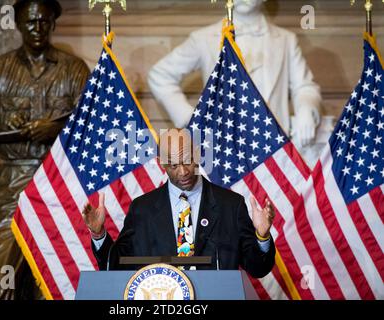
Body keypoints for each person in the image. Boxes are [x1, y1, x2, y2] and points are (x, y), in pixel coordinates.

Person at [0, 0, 90, 299]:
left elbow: (87, 128)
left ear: (53, 23)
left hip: (58, 182)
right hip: (11, 183)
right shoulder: (0, 69)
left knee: (54, 280)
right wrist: (11, 131)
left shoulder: (74, 69)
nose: (38, 28)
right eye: (31, 22)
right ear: (19, 24)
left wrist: (55, 129)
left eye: (44, 22)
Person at [82, 129, 276, 278]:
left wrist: (262, 236)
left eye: (187, 160)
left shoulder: (230, 205)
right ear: (162, 164)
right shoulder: (143, 210)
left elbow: (258, 268)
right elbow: (116, 267)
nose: (183, 172)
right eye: (174, 165)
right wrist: (99, 234)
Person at [148, 0, 322, 150]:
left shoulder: (286, 40)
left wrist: (306, 108)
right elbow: (160, 75)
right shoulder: (203, 38)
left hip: (274, 143)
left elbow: (304, 86)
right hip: (224, 144)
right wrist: (190, 119)